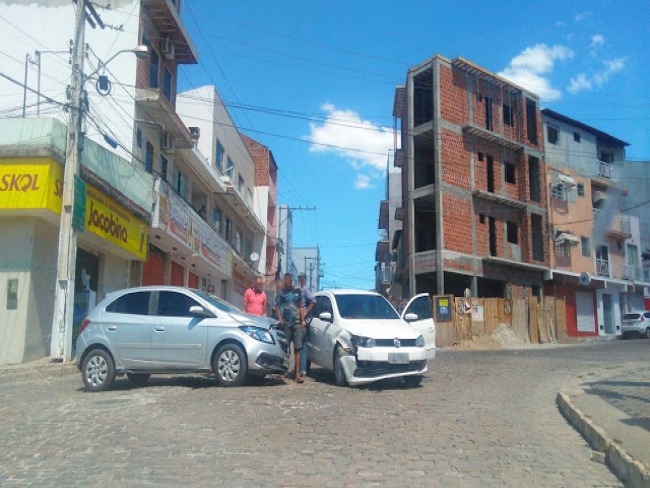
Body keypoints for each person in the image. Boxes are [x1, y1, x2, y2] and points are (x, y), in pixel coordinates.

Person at [276, 273, 305, 383]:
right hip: (286, 324)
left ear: (291, 281)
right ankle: (283, 372)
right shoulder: (281, 294)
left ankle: (297, 375)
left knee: (297, 349)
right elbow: (277, 307)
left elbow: (301, 307)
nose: (287, 282)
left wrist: (303, 321)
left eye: (289, 281)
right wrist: (280, 319)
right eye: (285, 281)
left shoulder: (297, 293)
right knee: (285, 348)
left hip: (297, 323)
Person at [297, 272, 316, 378]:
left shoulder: (304, 290)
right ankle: (303, 370)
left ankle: (301, 369)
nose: (299, 280)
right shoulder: (301, 290)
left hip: (304, 322)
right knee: (303, 346)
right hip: (304, 321)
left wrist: (305, 312)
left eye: (300, 278)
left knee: (300, 346)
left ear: (303, 279)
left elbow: (313, 301)